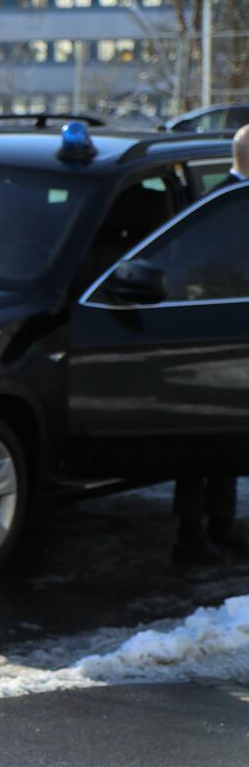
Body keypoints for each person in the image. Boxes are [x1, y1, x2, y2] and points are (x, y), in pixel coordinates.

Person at [173, 123, 249, 566]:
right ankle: (191, 532)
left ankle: (222, 523)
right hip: (210, 331)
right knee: (203, 440)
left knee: (230, 435)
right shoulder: (221, 204)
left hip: (234, 332)